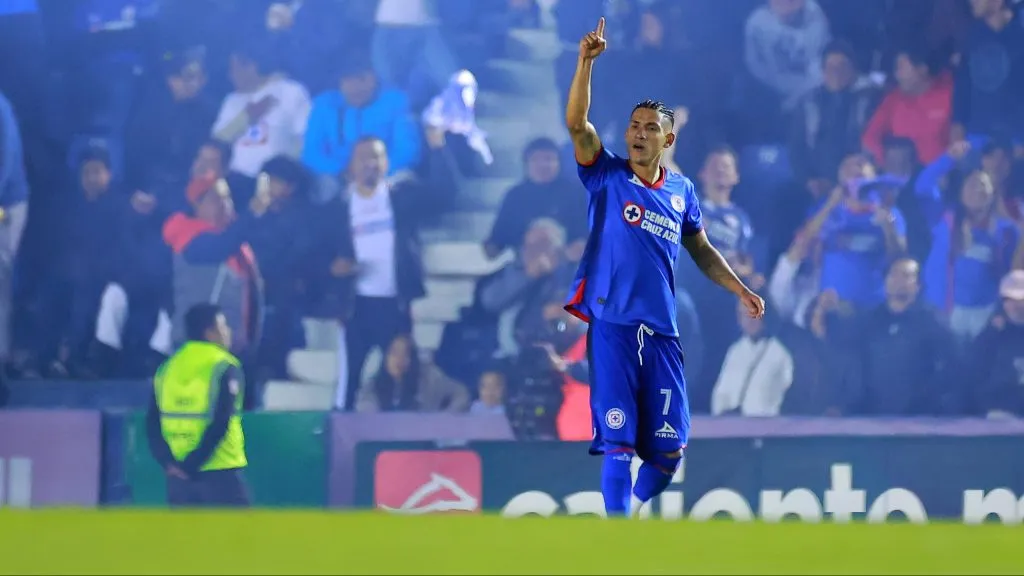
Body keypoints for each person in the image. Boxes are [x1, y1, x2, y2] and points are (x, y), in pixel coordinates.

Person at [563, 18, 765, 518]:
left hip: (662, 331)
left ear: (667, 140)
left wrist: (740, 289)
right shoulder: (606, 175)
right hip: (613, 325)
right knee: (617, 443)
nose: (638, 133)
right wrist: (585, 64)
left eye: (649, 128)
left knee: (670, 453)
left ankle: (630, 509)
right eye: (633, 125)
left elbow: (701, 250)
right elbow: (576, 126)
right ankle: (617, 535)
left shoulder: (681, 193)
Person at [145, 303, 250, 507]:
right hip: (221, 473)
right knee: (240, 537)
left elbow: (152, 423)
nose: (228, 332)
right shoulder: (224, 365)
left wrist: (169, 463)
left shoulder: (167, 367)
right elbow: (221, 423)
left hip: (178, 479)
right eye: (223, 326)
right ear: (209, 332)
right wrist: (192, 465)